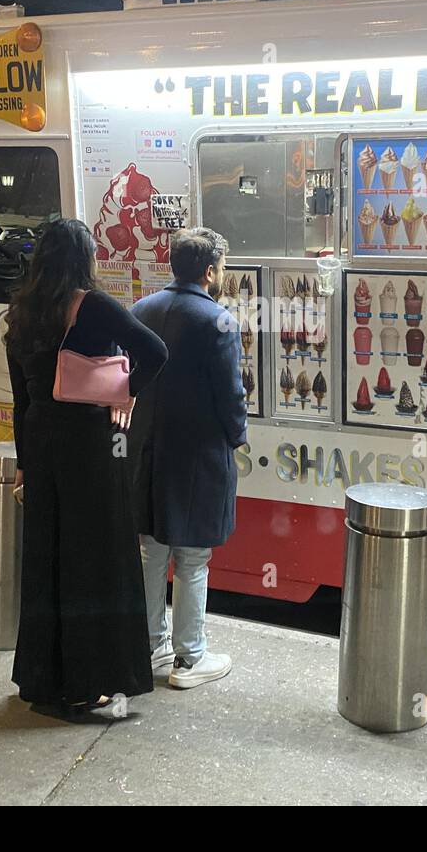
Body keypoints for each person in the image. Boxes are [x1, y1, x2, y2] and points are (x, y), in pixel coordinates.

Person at [5, 218, 168, 716]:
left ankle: (45, 680)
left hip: (41, 442)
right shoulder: (91, 305)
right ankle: (88, 681)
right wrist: (127, 391)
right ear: (84, 259)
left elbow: (19, 398)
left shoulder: (22, 311)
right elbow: (155, 352)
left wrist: (24, 464)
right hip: (92, 445)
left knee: (48, 559)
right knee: (97, 560)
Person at [131, 228, 247, 689]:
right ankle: (190, 659)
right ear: (210, 270)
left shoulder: (141, 310)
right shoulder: (217, 320)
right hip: (197, 453)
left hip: (146, 448)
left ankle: (150, 644)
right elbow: (230, 394)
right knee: (194, 557)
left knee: (151, 549)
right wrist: (238, 436)